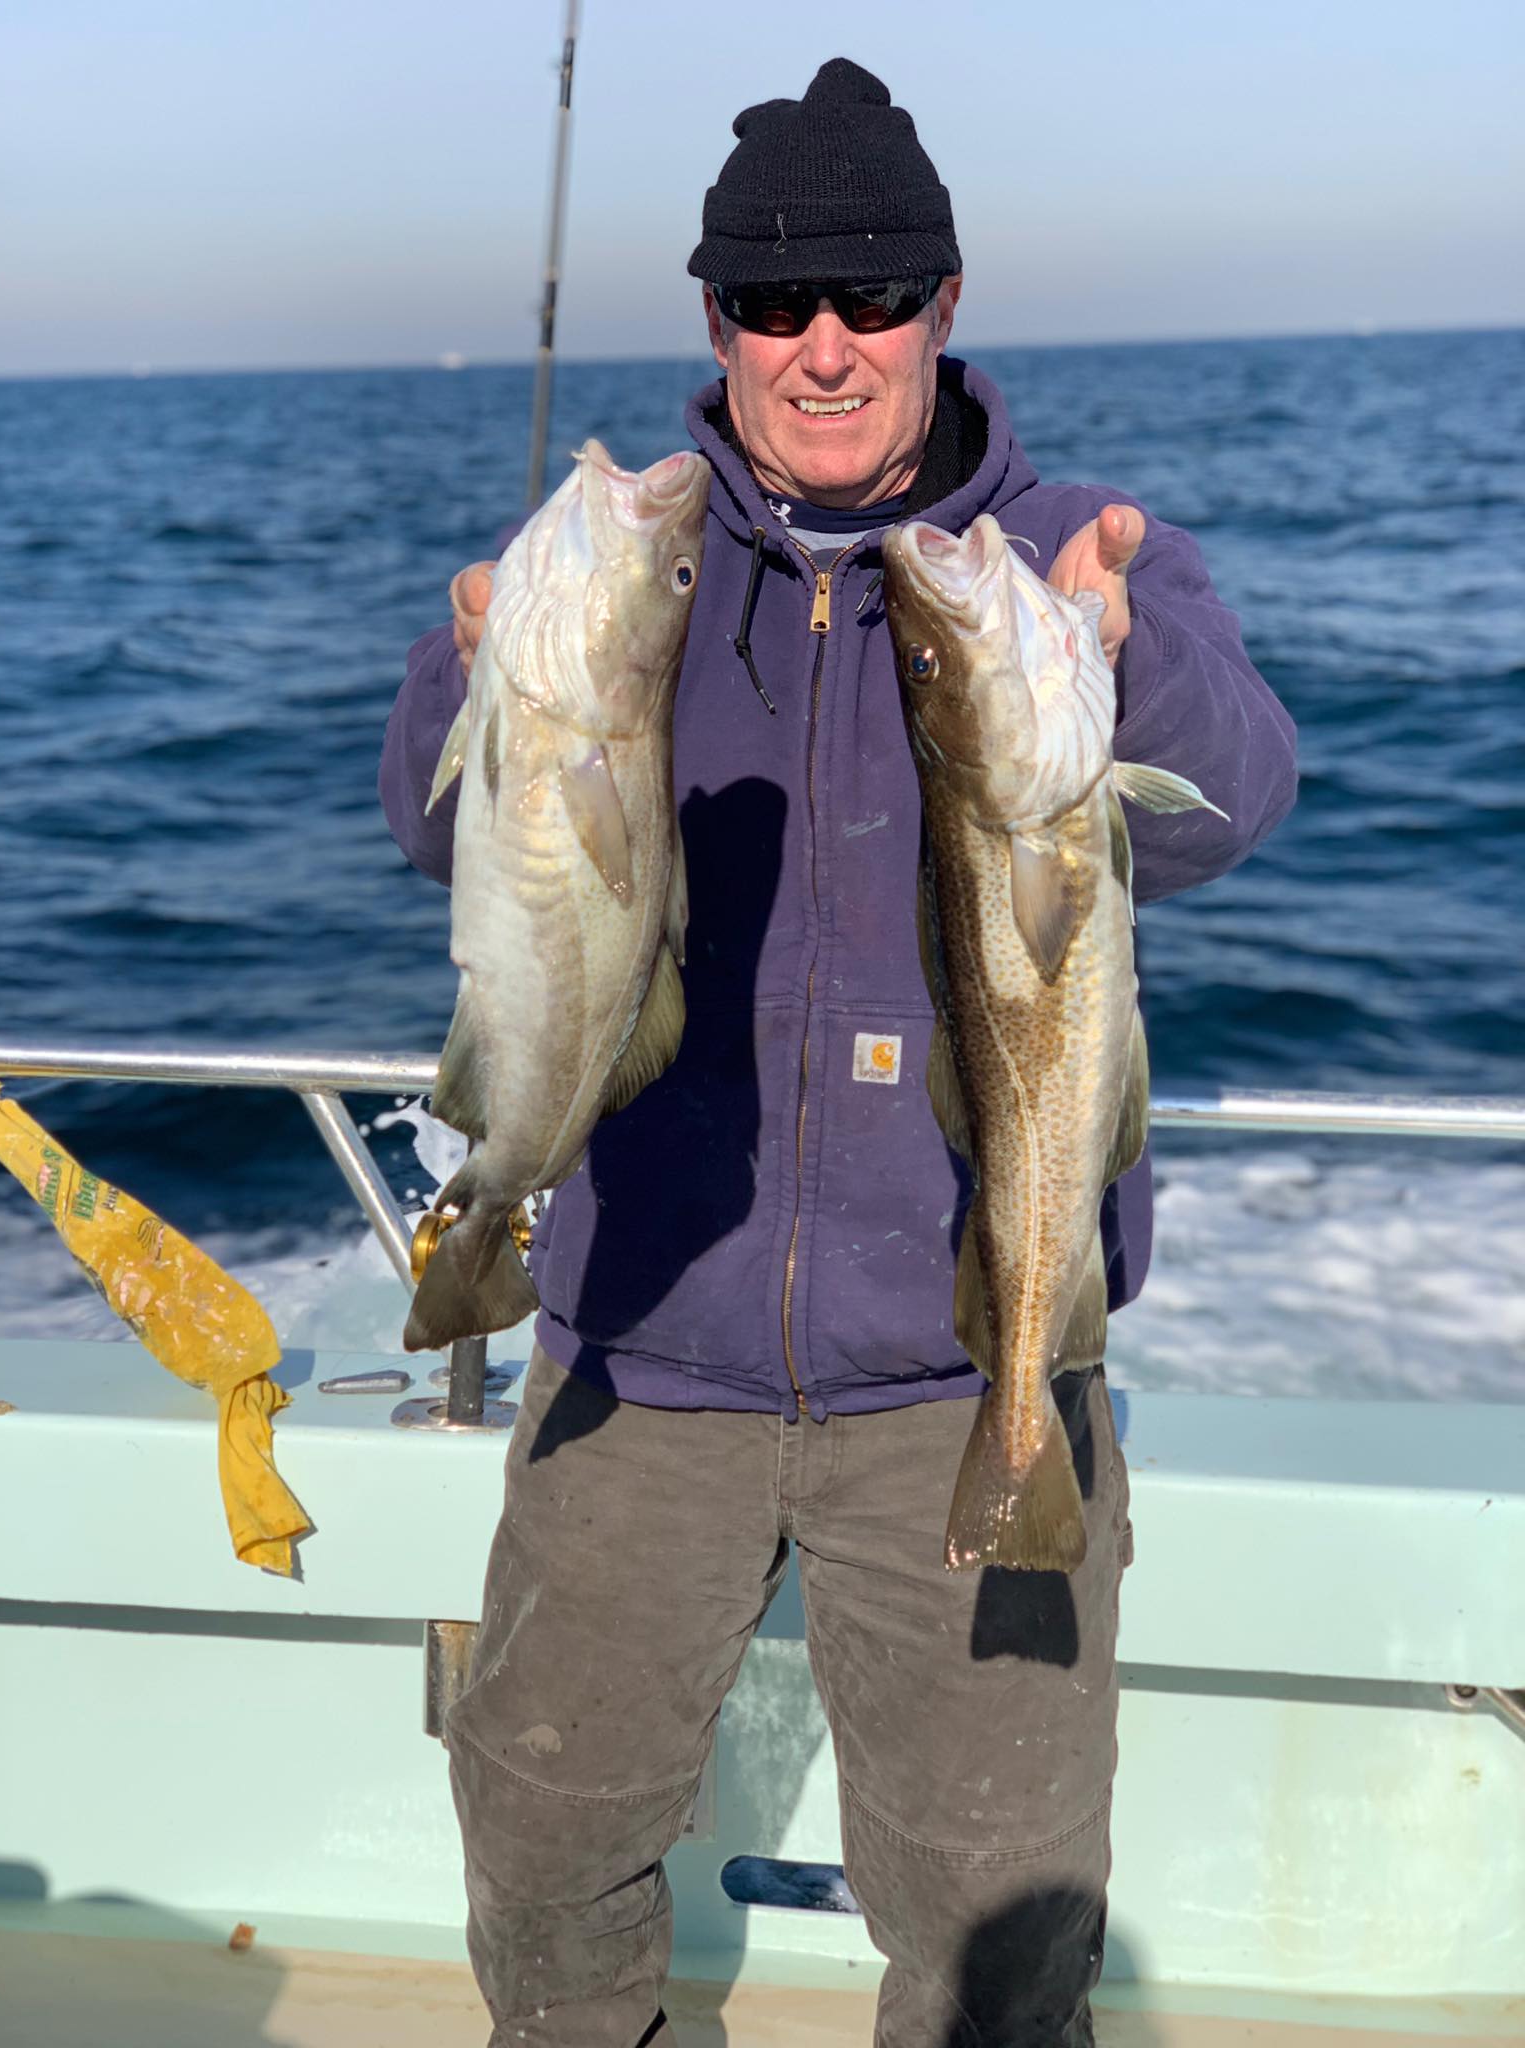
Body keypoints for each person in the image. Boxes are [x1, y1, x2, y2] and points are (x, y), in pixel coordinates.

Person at [379, 56, 1297, 2048]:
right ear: (717, 322)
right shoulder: (628, 554)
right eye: (772, 300)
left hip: (963, 1360)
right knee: (540, 1847)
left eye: (871, 295)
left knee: (999, 1932)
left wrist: (1130, 662)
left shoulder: (1068, 558)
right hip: (641, 1347)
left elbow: (1237, 800)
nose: (823, 344)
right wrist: (480, 678)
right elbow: (436, 837)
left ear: (943, 303)